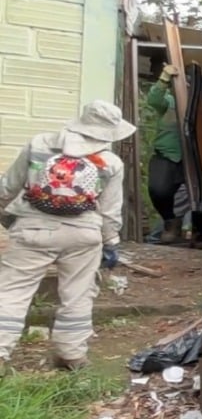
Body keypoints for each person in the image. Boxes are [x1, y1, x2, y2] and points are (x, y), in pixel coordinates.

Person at [0, 100, 134, 373]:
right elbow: (109, 212)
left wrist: (7, 212)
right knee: (78, 294)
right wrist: (111, 244)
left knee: (12, 292)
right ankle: (71, 355)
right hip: (83, 236)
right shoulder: (110, 162)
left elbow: (8, 186)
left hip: (32, 229)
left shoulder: (38, 144)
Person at [145, 64, 202, 245]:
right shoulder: (169, 101)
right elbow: (153, 100)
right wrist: (164, 79)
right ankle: (171, 222)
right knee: (158, 190)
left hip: (195, 158)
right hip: (168, 155)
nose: (188, 89)